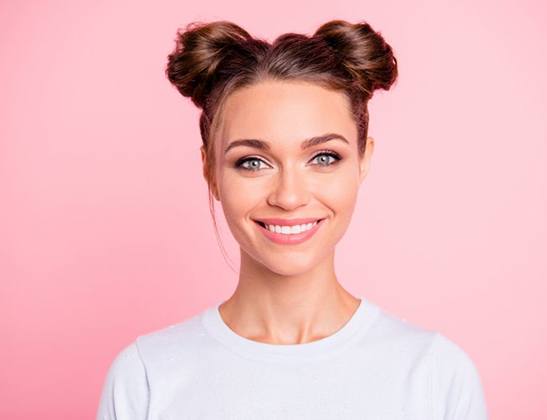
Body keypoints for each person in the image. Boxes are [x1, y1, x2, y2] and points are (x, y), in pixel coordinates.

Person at [96, 19, 488, 419]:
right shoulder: (146, 378)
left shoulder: (436, 377)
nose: (289, 196)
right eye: (252, 162)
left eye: (323, 158)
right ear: (210, 171)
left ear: (363, 160)